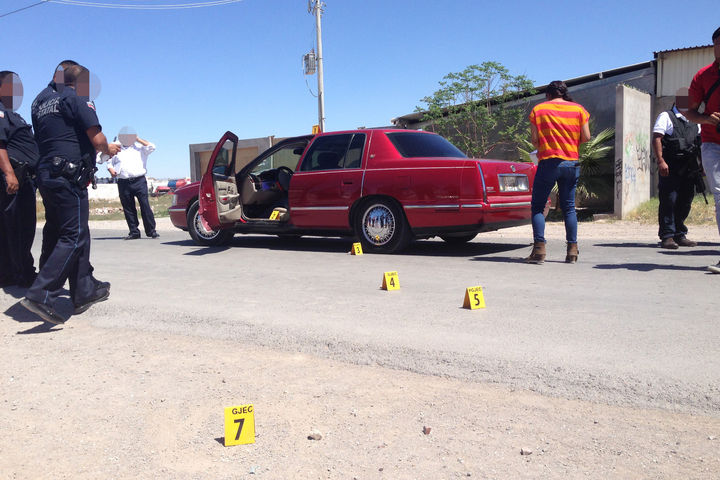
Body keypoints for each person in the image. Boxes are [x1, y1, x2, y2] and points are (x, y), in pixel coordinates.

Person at [20, 61, 120, 325]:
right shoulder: (76, 97)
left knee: (59, 232)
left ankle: (83, 290)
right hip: (68, 176)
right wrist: (109, 148)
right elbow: (97, 140)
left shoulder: (39, 101)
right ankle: (41, 294)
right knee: (73, 235)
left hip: (47, 174)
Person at [526, 80, 591, 264]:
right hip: (571, 163)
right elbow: (586, 137)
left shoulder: (538, 110)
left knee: (538, 207)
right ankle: (572, 250)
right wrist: (570, 141)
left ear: (548, 95)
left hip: (548, 163)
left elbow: (535, 140)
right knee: (569, 207)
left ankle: (539, 250)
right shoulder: (579, 110)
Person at [686, 27, 720, 273]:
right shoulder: (703, 75)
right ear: (714, 46)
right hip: (712, 143)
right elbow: (688, 111)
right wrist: (707, 119)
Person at [0, 71, 38, 288]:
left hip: (22, 177)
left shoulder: (11, 114)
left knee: (11, 228)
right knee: (20, 228)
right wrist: (9, 174)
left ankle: (7, 273)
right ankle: (24, 273)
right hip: (15, 177)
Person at [653, 88, 702, 249]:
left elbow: (699, 143)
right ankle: (667, 236)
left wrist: (702, 165)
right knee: (669, 200)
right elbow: (657, 138)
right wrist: (661, 161)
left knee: (685, 201)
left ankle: (679, 234)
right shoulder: (666, 116)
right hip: (671, 166)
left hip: (690, 168)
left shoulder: (695, 119)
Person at [105, 128, 158, 239]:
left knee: (145, 205)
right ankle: (134, 231)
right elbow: (109, 162)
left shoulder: (140, 148)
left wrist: (137, 139)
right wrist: (111, 170)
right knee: (128, 207)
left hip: (139, 181)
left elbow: (152, 147)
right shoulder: (117, 148)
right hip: (123, 182)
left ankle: (151, 231)